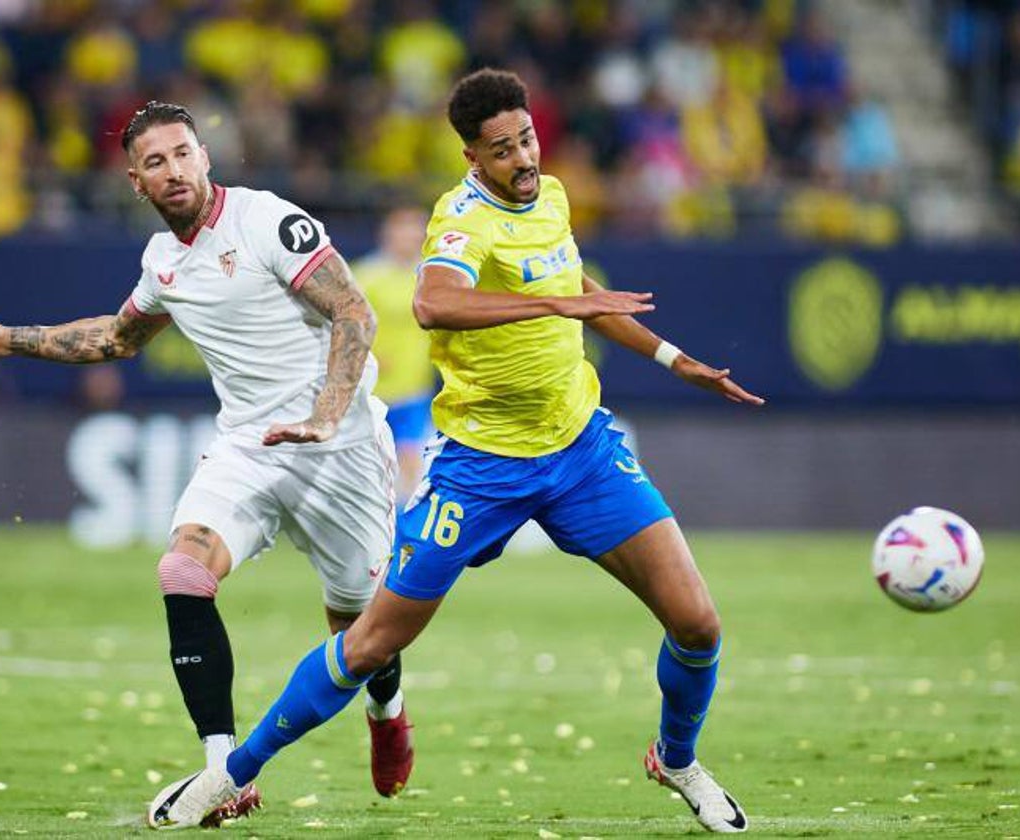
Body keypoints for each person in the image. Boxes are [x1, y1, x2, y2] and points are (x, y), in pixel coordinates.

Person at [205, 68, 767, 833]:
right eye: (502, 150)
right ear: (473, 157)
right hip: (481, 466)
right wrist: (557, 302)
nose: (523, 158)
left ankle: (676, 758)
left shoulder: (557, 195)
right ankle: (229, 776)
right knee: (370, 643)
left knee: (698, 624)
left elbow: (582, 292)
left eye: (527, 138)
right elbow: (434, 301)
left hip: (580, 451)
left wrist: (674, 360)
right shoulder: (460, 219)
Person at [0, 101, 414, 829]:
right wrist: (14, 340)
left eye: (183, 153)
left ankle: (388, 713)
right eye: (156, 162)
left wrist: (324, 411)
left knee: (363, 634)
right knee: (183, 567)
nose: (174, 169)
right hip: (249, 447)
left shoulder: (266, 221)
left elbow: (354, 313)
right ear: (136, 181)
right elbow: (119, 338)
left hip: (338, 448)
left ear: (205, 157)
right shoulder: (163, 261)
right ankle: (224, 770)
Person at [351, 205, 435, 501]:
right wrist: (368, 355)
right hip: (373, 391)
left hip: (414, 388)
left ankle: (407, 528)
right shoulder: (367, 276)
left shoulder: (430, 276)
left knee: (411, 456)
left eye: (417, 230)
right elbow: (343, 324)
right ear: (388, 234)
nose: (411, 236)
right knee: (372, 463)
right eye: (405, 229)